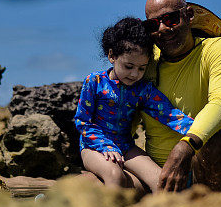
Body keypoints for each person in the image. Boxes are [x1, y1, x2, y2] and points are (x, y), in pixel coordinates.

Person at [139, 0, 221, 198]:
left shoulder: (217, 48)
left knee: (217, 141)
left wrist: (185, 147)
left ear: (188, 15)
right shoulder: (144, 61)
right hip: (158, 178)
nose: (162, 29)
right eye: (153, 24)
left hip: (211, 172)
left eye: (170, 19)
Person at [74, 17, 195, 192]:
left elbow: (168, 114)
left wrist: (198, 131)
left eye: (141, 68)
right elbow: (82, 122)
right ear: (112, 56)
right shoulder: (95, 81)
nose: (134, 74)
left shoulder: (143, 89)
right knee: (115, 175)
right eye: (129, 66)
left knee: (161, 180)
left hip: (125, 145)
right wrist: (104, 145)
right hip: (93, 147)